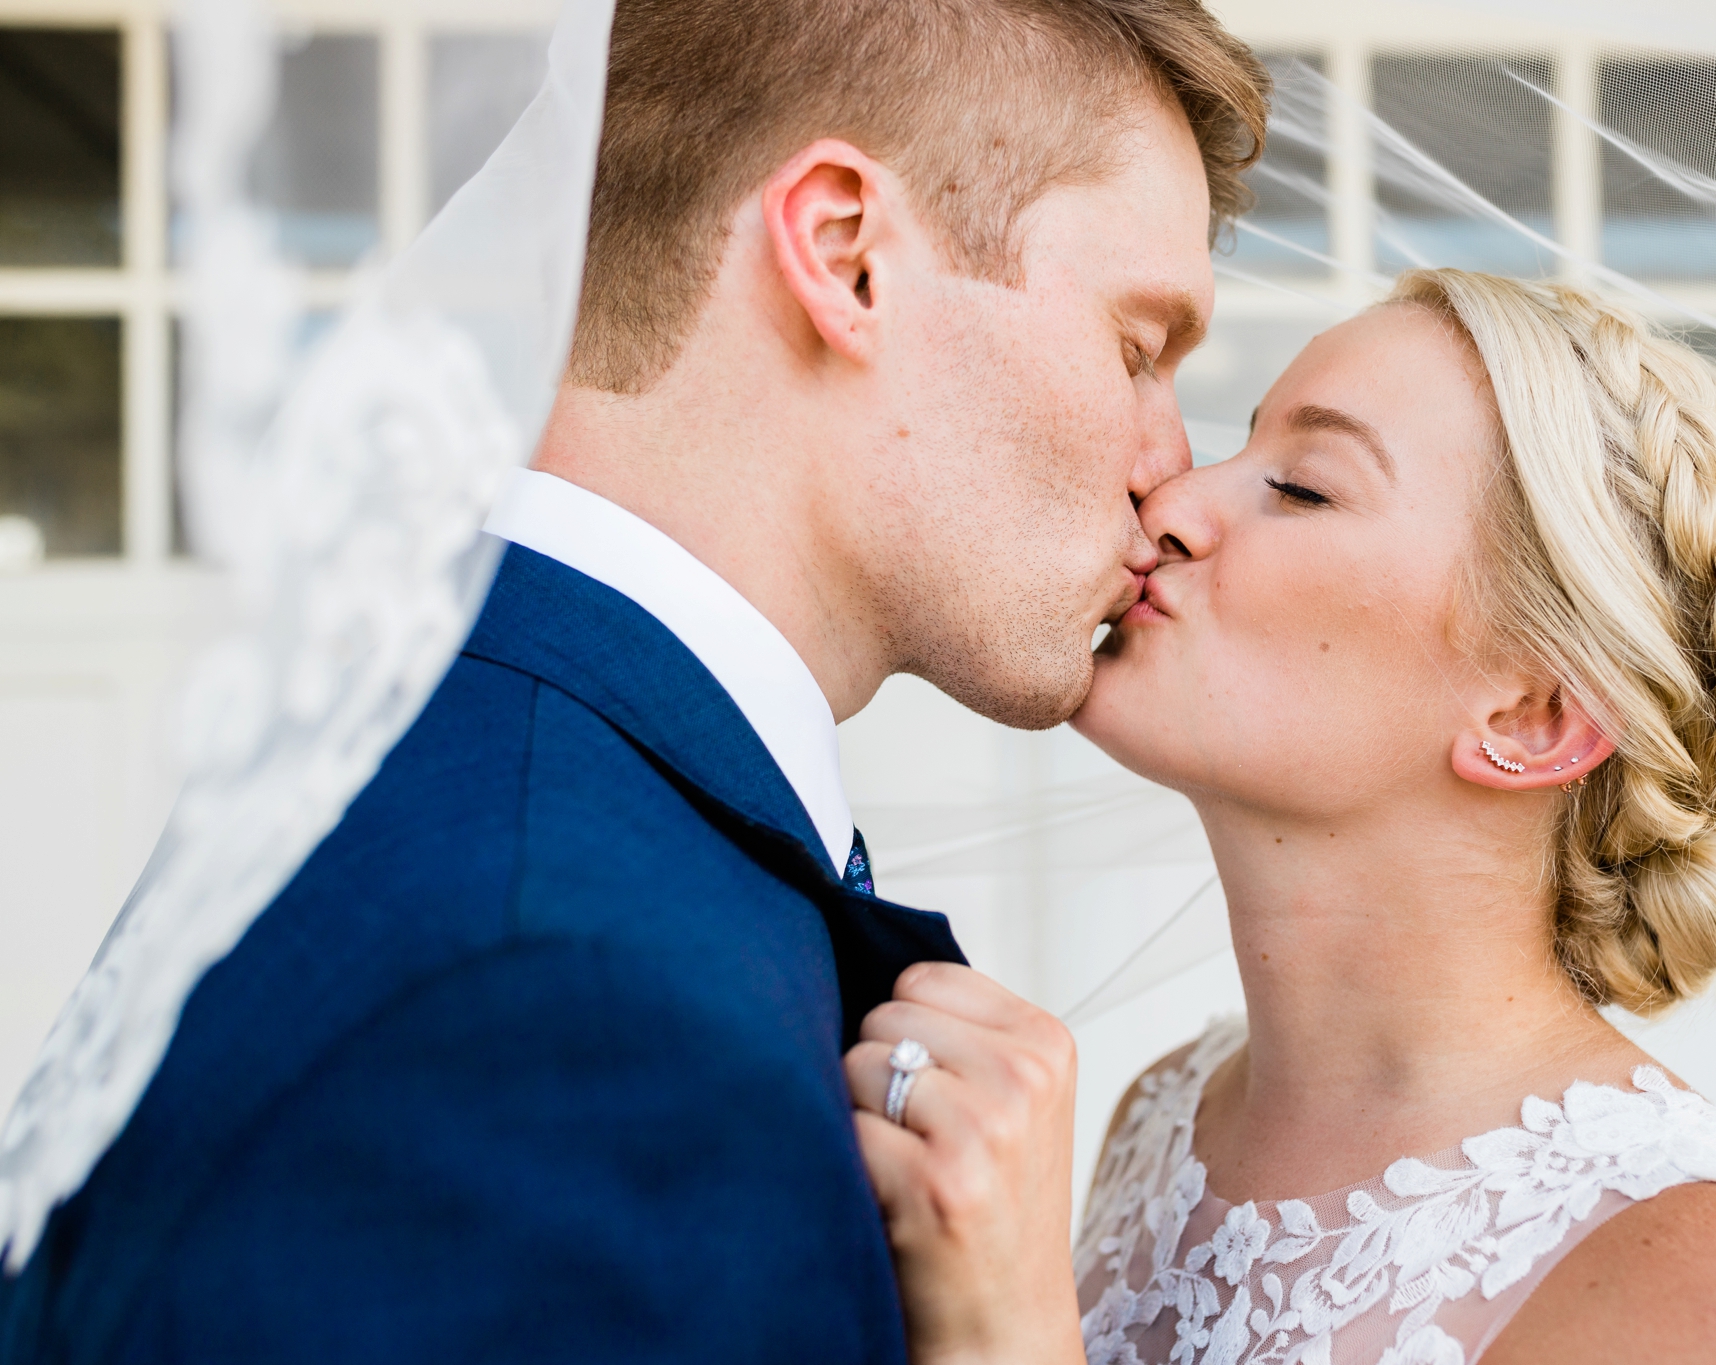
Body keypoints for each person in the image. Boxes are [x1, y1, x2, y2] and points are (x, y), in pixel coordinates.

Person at [0, 2, 1267, 1361]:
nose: (1169, 462)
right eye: (1138, 348)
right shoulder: (559, 1010)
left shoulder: (436, 746)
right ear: (846, 256)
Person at [847, 270, 1716, 1363]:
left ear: (1534, 717)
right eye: (1242, 447)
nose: (1170, 504)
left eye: (1301, 486)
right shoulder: (1162, 1117)